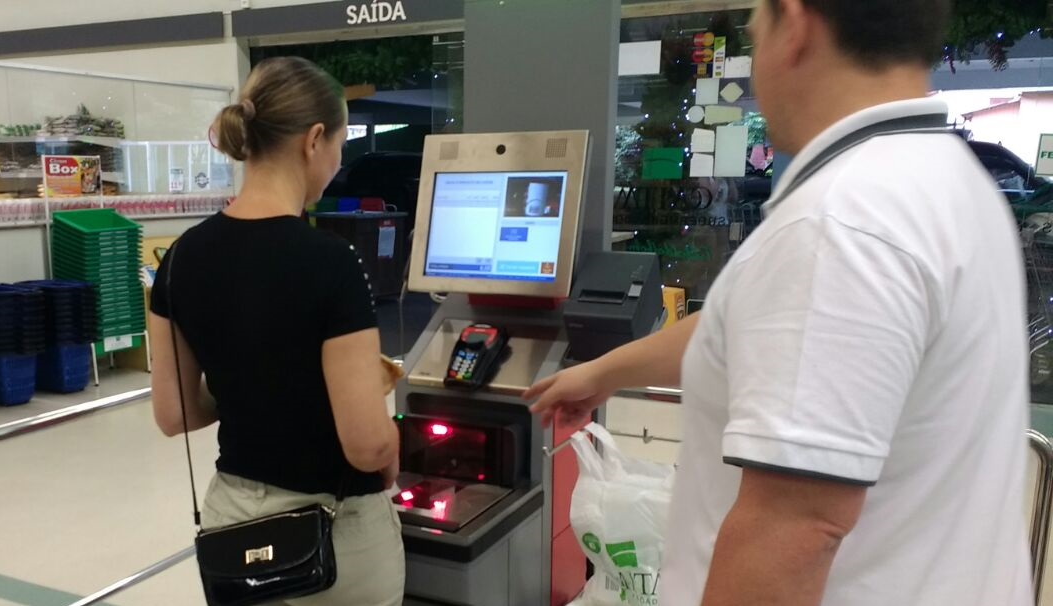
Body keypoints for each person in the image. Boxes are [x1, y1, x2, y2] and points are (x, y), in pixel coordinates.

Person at [528, 1, 1033, 604]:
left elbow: (795, 529)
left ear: (793, 25)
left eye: (753, 31)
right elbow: (758, 328)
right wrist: (606, 371)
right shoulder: (952, 181)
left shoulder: (840, 222)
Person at [148, 57, 405, 605]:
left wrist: (253, 384)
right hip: (334, 534)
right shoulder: (332, 262)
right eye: (340, 144)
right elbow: (365, 446)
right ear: (314, 140)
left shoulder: (180, 257)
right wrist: (393, 444)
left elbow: (174, 414)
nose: (338, 162)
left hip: (233, 524)